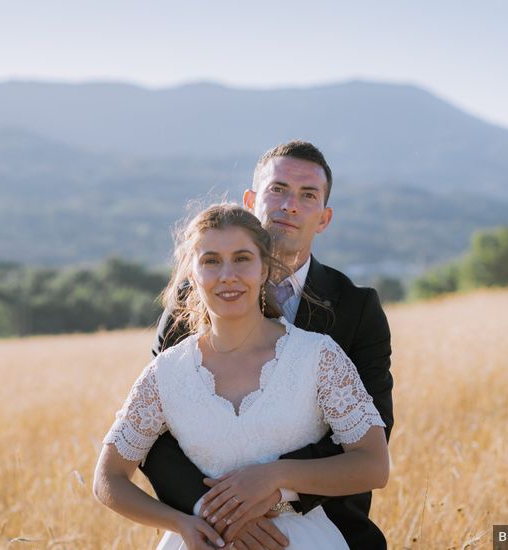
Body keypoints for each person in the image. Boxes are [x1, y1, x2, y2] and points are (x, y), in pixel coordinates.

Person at [142, 141, 394, 549]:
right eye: (277, 189)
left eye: (307, 195)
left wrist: (276, 489)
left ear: (324, 218)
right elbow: (153, 434)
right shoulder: (191, 302)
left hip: (326, 523)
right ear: (250, 200)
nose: (290, 205)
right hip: (207, 529)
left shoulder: (357, 308)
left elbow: (372, 430)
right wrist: (220, 513)